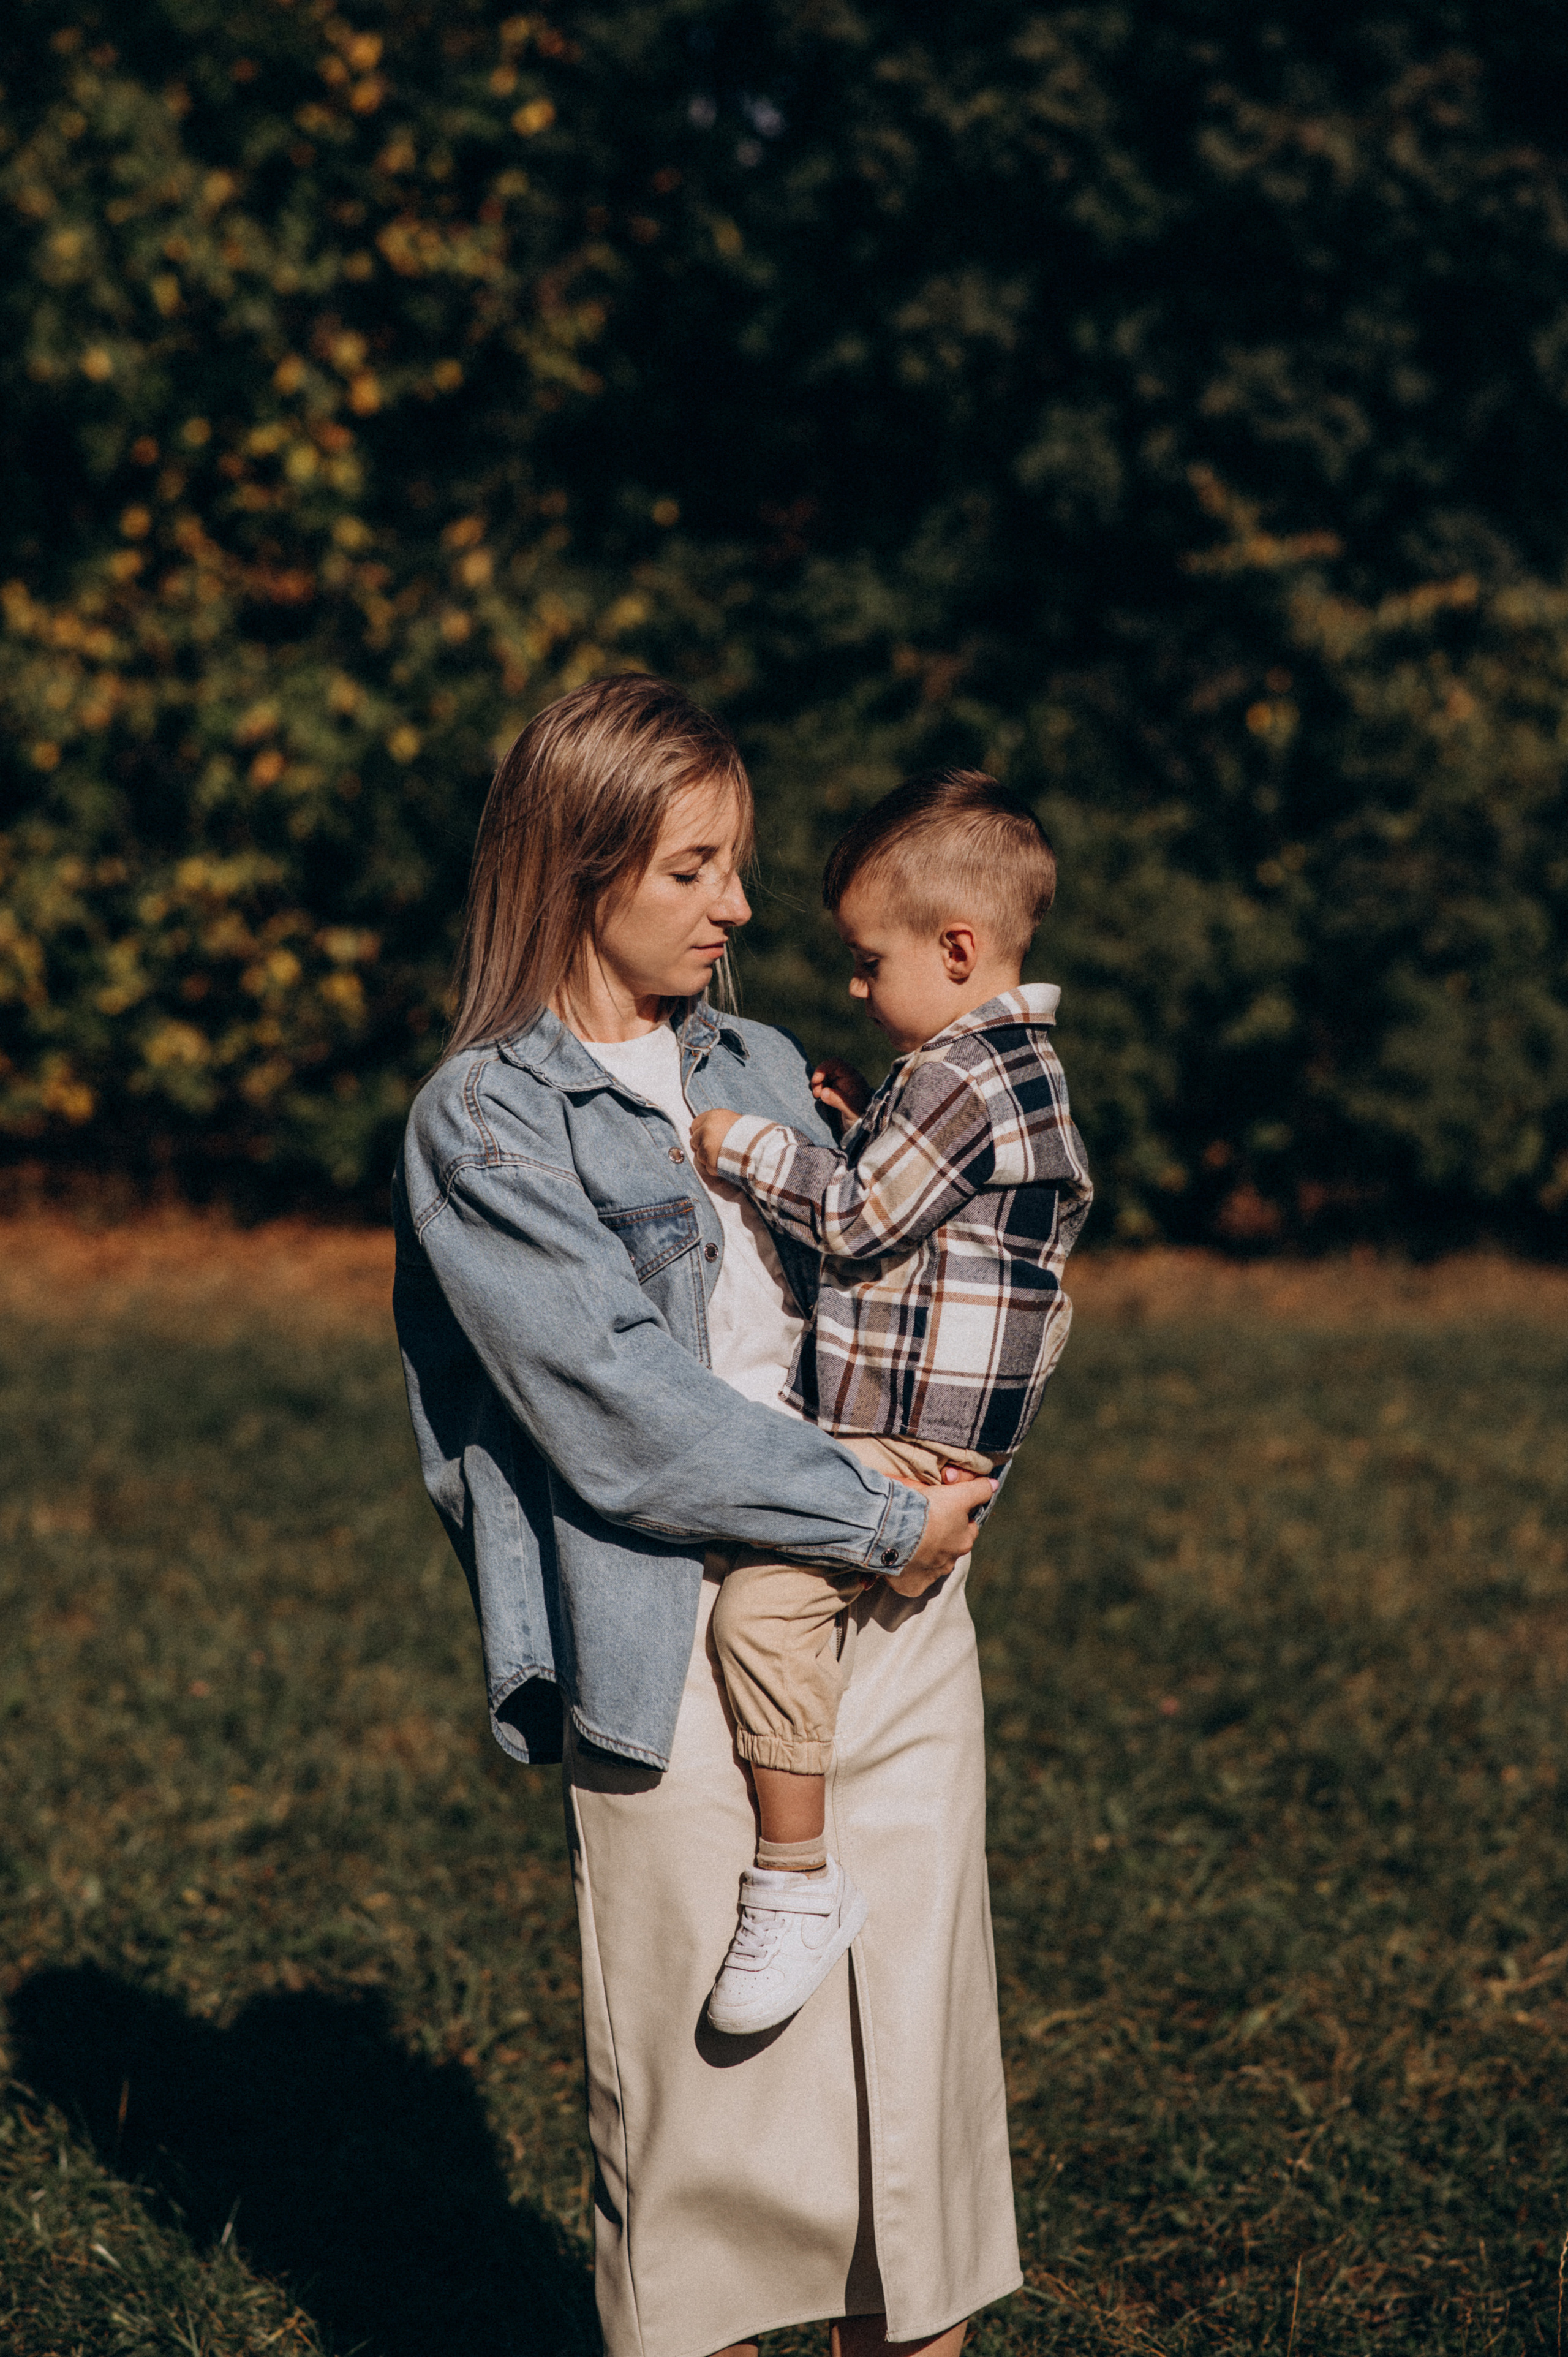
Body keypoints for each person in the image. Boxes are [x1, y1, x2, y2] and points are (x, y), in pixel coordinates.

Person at [393, 675, 1018, 2357]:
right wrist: (874, 1515)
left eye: (733, 862)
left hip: (885, 1631)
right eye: (694, 867)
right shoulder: (485, 1124)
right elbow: (626, 1423)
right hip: (672, 1649)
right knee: (711, 2177)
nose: (739, 905)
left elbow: (926, 1264)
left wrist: (943, 1470)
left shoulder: (756, 1059)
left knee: (917, 2169)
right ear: (577, 866)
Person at [690, 771, 1092, 2038]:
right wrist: (854, 1119)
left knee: (758, 1613)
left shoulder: (956, 1078)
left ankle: (793, 1883)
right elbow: (931, 1213)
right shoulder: (1009, 1070)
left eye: (869, 962)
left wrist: (747, 1147)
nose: (856, 987)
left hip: (901, 1430)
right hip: (949, 1423)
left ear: (956, 948)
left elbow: (863, 1219)